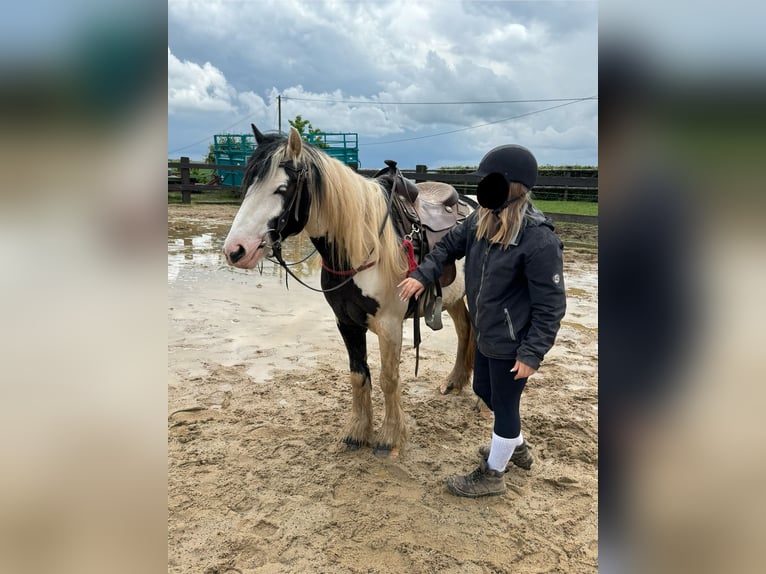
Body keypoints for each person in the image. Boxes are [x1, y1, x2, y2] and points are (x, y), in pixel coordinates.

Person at [398, 144, 567, 498]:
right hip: (486, 331)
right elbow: (445, 248)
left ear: (511, 186)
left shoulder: (538, 239)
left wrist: (532, 352)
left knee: (504, 407)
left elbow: (551, 305)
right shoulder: (479, 221)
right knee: (482, 390)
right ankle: (515, 446)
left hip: (513, 341)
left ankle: (493, 475)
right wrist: (422, 275)